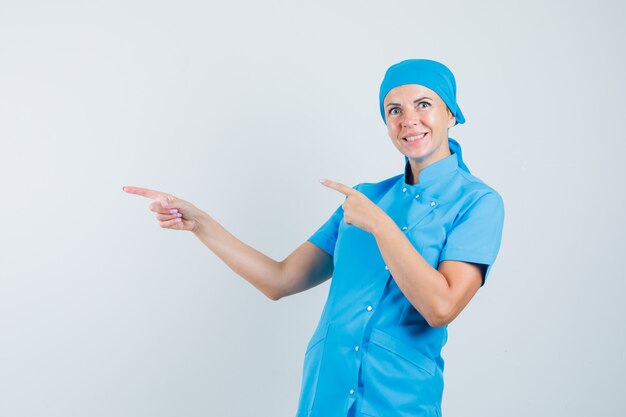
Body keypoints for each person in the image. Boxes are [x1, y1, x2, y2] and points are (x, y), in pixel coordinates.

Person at [123, 59, 504, 417]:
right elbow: (280, 280)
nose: (409, 120)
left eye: (424, 104)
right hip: (325, 394)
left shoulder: (477, 203)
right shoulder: (364, 199)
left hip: (399, 399)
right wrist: (201, 223)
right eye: (394, 110)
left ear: (451, 113)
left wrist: (381, 226)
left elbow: (441, 307)